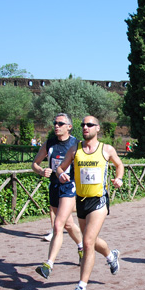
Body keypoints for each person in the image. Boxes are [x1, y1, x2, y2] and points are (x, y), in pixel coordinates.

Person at [55, 115, 124, 290]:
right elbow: (60, 168)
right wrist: (61, 175)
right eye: (83, 125)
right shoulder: (75, 150)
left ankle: (81, 288)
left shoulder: (106, 149)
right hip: (81, 200)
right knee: (90, 240)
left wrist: (119, 178)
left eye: (89, 125)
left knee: (86, 242)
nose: (85, 127)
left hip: (99, 200)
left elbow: (119, 165)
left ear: (97, 128)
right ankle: (111, 255)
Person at [32, 113, 83, 279]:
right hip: (54, 186)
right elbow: (35, 163)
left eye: (60, 123)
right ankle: (82, 247)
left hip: (70, 187)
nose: (56, 126)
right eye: (55, 123)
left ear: (69, 126)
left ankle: (48, 264)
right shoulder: (50, 143)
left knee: (58, 224)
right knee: (68, 224)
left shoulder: (76, 144)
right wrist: (41, 171)